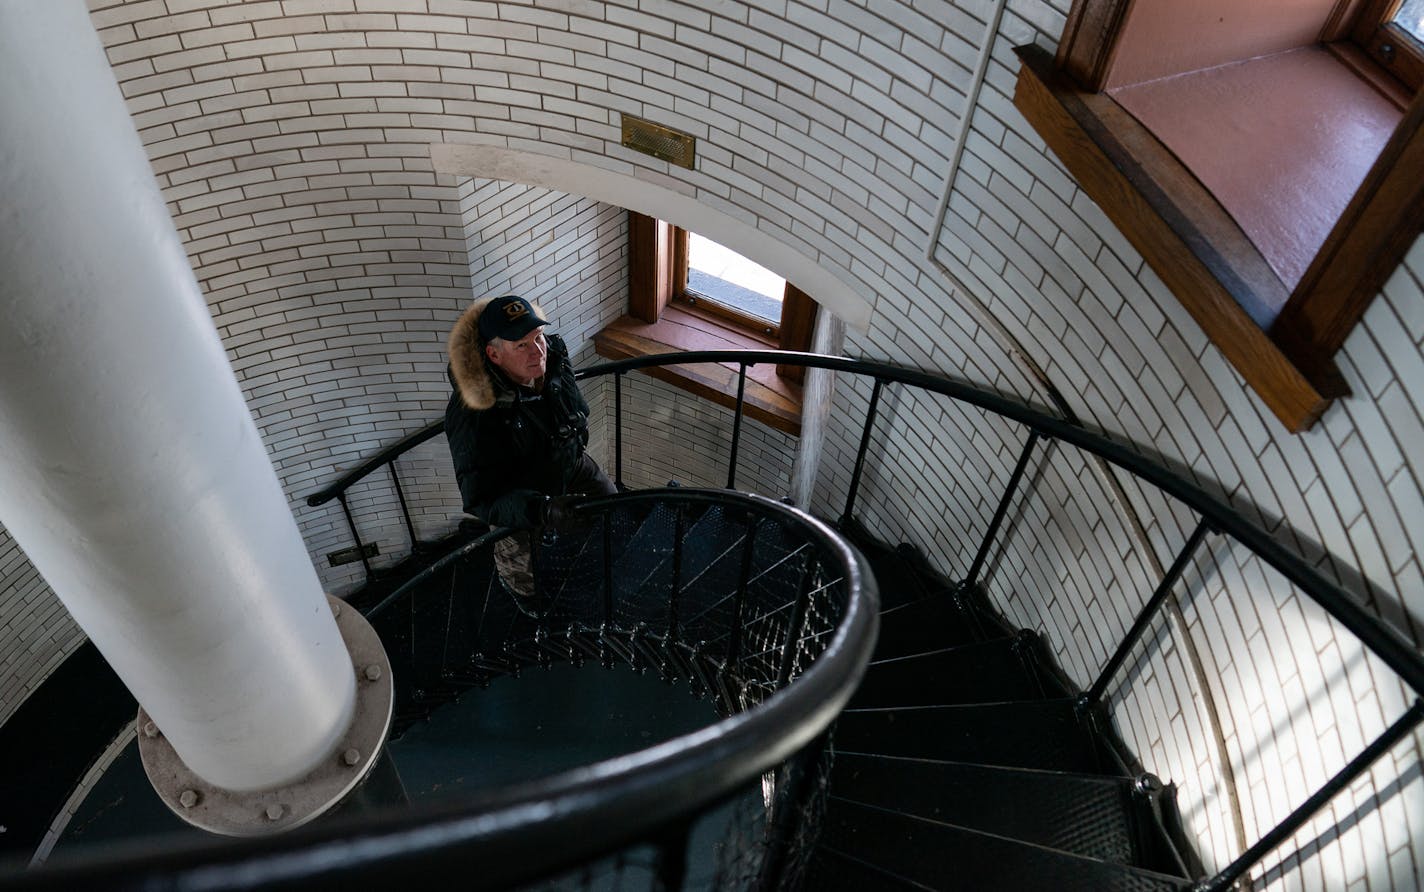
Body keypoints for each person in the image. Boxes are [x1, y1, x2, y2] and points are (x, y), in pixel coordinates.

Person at [444, 295, 616, 604]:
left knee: (611, 503)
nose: (537, 351)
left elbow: (575, 407)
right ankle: (530, 606)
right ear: (494, 355)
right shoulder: (473, 414)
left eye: (538, 338)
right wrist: (542, 509)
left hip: (567, 462)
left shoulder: (553, 359)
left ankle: (603, 566)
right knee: (522, 568)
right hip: (519, 494)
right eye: (521, 346)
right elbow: (481, 497)